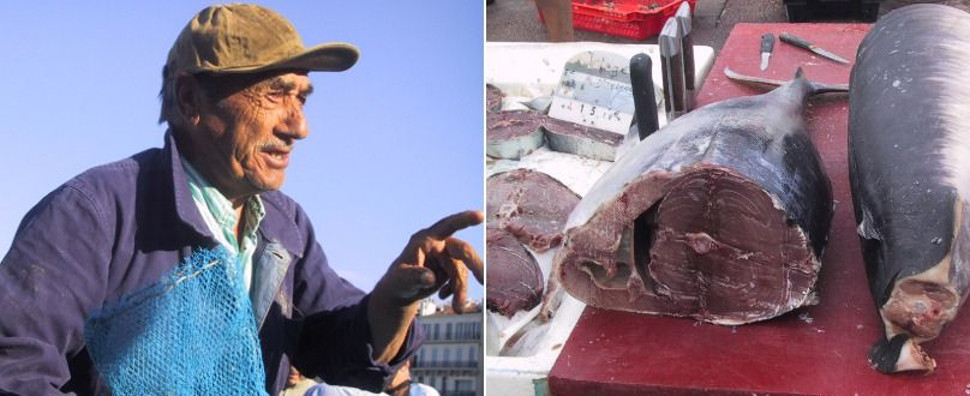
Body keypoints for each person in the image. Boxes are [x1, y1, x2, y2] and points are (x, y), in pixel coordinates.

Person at [0, 3, 482, 395]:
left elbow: (339, 347)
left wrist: (396, 299)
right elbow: (14, 370)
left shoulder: (285, 225)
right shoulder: (94, 211)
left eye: (302, 97)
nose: (299, 126)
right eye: (275, 94)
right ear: (190, 100)